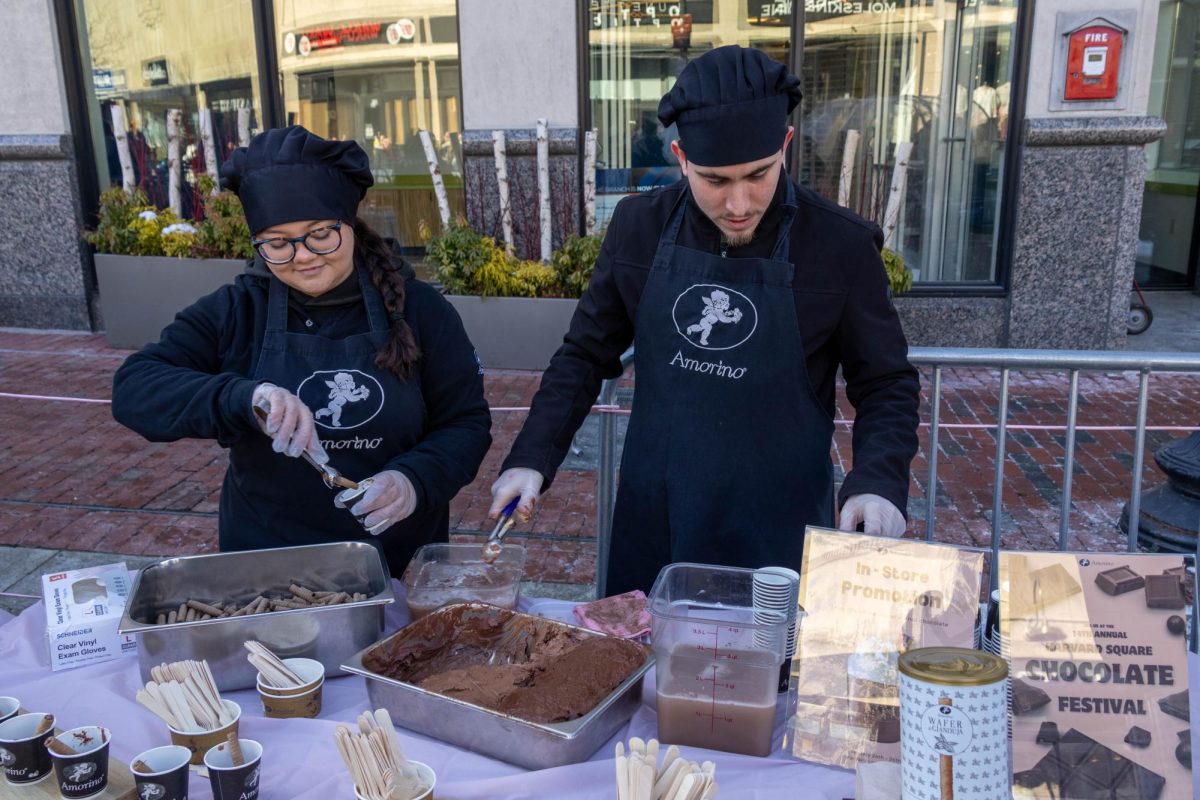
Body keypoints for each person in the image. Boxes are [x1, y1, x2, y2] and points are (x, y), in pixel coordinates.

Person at [488, 46, 920, 595]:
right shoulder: (638, 228)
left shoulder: (840, 245)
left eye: (758, 175)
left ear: (785, 146)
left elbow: (886, 382)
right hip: (657, 520)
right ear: (681, 156)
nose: (738, 203)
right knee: (647, 672)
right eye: (715, 180)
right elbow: (583, 355)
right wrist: (532, 458)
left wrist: (877, 482)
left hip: (778, 526)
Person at [112, 126, 492, 576]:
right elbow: (134, 388)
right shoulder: (236, 311)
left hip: (396, 563)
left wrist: (413, 480)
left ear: (348, 223)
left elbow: (466, 422)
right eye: (278, 243)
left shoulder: (422, 309)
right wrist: (244, 398)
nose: (303, 255)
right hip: (268, 565)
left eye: (319, 234)